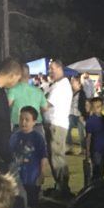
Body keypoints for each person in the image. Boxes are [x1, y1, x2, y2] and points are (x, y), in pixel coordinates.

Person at [10, 105, 52, 208]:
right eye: (21, 119)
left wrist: (42, 173)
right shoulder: (15, 136)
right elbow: (10, 154)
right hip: (18, 176)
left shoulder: (38, 137)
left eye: (27, 120)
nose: (23, 122)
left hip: (32, 177)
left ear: (34, 121)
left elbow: (43, 156)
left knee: (32, 201)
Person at [45, 57, 73, 195]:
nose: (50, 71)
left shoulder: (61, 85)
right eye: (49, 68)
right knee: (55, 156)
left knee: (57, 156)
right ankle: (60, 185)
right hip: (57, 124)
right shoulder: (58, 84)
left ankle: (62, 187)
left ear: (60, 68)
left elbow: (46, 105)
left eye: (52, 68)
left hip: (57, 124)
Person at [7, 62, 48, 128]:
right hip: (36, 126)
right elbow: (45, 108)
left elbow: (7, 105)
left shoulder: (12, 90)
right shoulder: (38, 91)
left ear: (18, 75)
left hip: (20, 126)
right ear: (29, 75)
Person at [85, 96, 104, 182]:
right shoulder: (90, 121)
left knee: (102, 171)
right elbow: (88, 137)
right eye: (94, 107)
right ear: (92, 107)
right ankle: (94, 188)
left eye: (99, 106)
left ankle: (99, 188)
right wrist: (87, 151)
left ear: (102, 106)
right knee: (96, 171)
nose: (97, 109)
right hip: (95, 149)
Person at [68, 74, 88, 153]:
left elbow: (84, 105)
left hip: (79, 115)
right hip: (71, 114)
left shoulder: (82, 93)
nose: (71, 82)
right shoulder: (69, 91)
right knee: (67, 131)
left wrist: (83, 115)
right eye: (71, 81)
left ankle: (83, 149)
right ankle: (69, 147)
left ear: (78, 83)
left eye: (73, 81)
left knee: (81, 133)